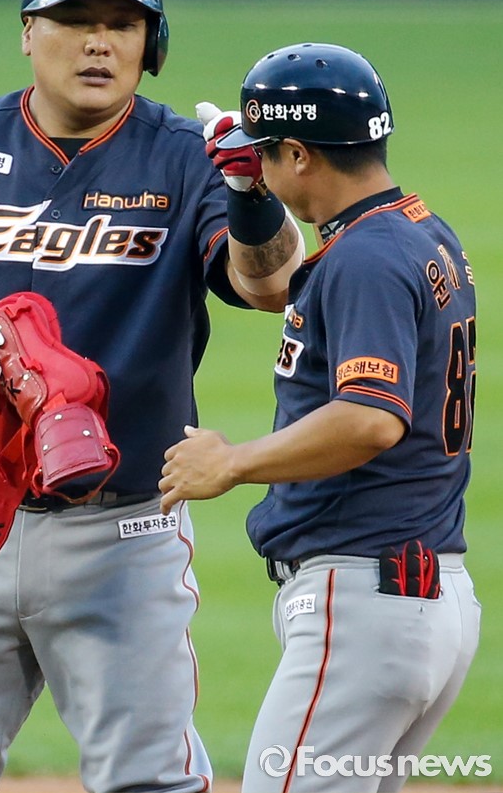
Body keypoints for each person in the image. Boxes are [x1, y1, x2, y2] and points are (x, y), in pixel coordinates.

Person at [0, 0, 305, 793]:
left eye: (122, 23)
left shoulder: (188, 159)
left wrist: (251, 198)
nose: (99, 42)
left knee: (147, 780)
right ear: (29, 31)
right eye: (74, 18)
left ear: (151, 44)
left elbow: (270, 284)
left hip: (123, 531)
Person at [159, 43, 481, 793]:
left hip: (364, 599)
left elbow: (371, 417)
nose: (260, 163)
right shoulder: (420, 231)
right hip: (421, 593)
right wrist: (247, 191)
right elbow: (282, 282)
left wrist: (232, 461)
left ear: (300, 155)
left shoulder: (367, 257)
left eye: (268, 151)